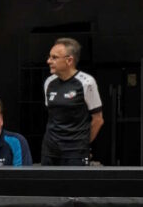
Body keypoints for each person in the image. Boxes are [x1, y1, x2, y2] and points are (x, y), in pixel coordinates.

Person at [41, 37, 103, 165]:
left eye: (54, 57)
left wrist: (83, 145)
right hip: (50, 149)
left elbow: (98, 120)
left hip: (76, 150)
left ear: (69, 60)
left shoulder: (87, 82)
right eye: (49, 57)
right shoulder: (49, 82)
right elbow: (52, 116)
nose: (48, 61)